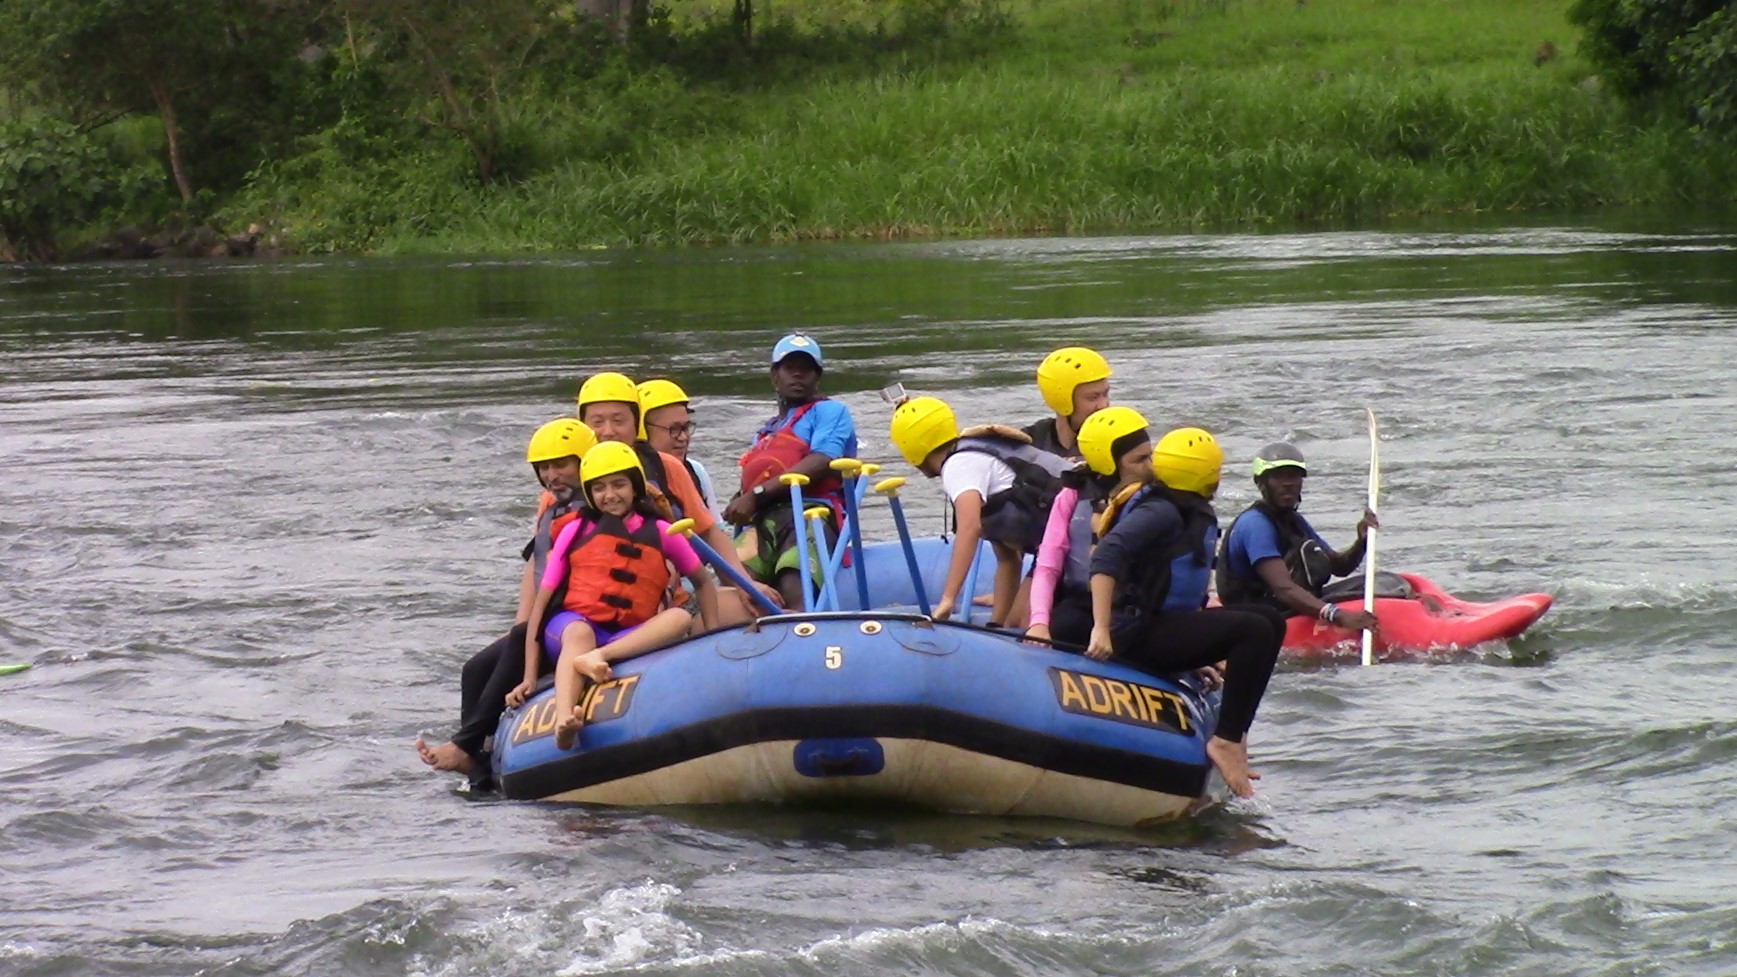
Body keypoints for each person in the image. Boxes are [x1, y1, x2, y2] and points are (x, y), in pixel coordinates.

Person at [1073, 414, 1285, 798]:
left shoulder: (1183, 507)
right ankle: (1226, 740)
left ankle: (1233, 736)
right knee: (1253, 630)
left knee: (1269, 619)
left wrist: (1195, 650)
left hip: (1159, 625)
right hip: (1132, 634)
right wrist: (1101, 629)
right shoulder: (1161, 512)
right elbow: (1105, 557)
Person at [416, 417, 596, 779]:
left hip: (580, 622)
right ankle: (478, 757)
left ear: (584, 463)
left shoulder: (597, 513)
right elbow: (536, 571)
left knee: (519, 638)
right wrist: (523, 624)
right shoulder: (553, 511)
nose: (552, 475)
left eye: (561, 465)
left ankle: (463, 744)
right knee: (475, 669)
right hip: (547, 621)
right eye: (544, 468)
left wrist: (528, 638)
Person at [523, 442, 721, 750]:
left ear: (635, 487)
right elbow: (541, 605)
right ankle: (565, 720)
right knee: (580, 633)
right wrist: (529, 676)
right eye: (599, 488)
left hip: (624, 638)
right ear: (589, 493)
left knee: (680, 617)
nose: (610, 495)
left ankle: (597, 658)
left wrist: (712, 636)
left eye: (619, 484)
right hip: (569, 627)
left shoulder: (664, 532)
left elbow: (703, 583)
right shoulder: (573, 532)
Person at [578, 371, 781, 618]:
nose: (608, 431)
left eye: (619, 421)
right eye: (597, 422)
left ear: (636, 423)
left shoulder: (668, 467)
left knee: (759, 609)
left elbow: (709, 532)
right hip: (596, 606)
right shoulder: (567, 479)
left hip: (670, 599)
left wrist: (744, 584)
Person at [889, 395, 1074, 626]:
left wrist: (947, 600)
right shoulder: (977, 454)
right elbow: (1009, 560)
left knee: (1025, 622)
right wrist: (996, 626)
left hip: (1074, 536)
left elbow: (970, 528)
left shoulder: (959, 466)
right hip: (1059, 541)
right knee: (1010, 625)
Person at [721, 334, 859, 611]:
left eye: (806, 368)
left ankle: (800, 629)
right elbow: (754, 482)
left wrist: (756, 495)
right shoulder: (765, 433)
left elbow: (822, 460)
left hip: (811, 514)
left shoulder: (830, 412)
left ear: (817, 376)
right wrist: (740, 501)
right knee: (733, 581)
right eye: (789, 367)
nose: (798, 374)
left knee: (793, 585)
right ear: (775, 375)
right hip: (765, 520)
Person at [1216, 441, 1379, 633]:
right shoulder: (1255, 525)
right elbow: (1283, 588)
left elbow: (1340, 567)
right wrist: (1338, 615)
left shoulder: (1293, 521)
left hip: (1284, 605)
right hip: (1257, 616)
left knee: (1380, 582)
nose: (1288, 483)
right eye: (1278, 477)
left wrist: (1361, 542)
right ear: (1261, 482)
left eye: (1293, 476)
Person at [637, 378, 720, 518]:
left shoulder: (696, 470)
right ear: (642, 431)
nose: (683, 437)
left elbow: (716, 529)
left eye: (686, 428)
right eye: (673, 429)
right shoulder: (625, 480)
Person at [1024, 346, 1113, 459]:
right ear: (1062, 401)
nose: (1104, 405)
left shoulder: (1124, 445)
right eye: (1093, 397)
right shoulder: (1031, 443)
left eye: (1105, 394)